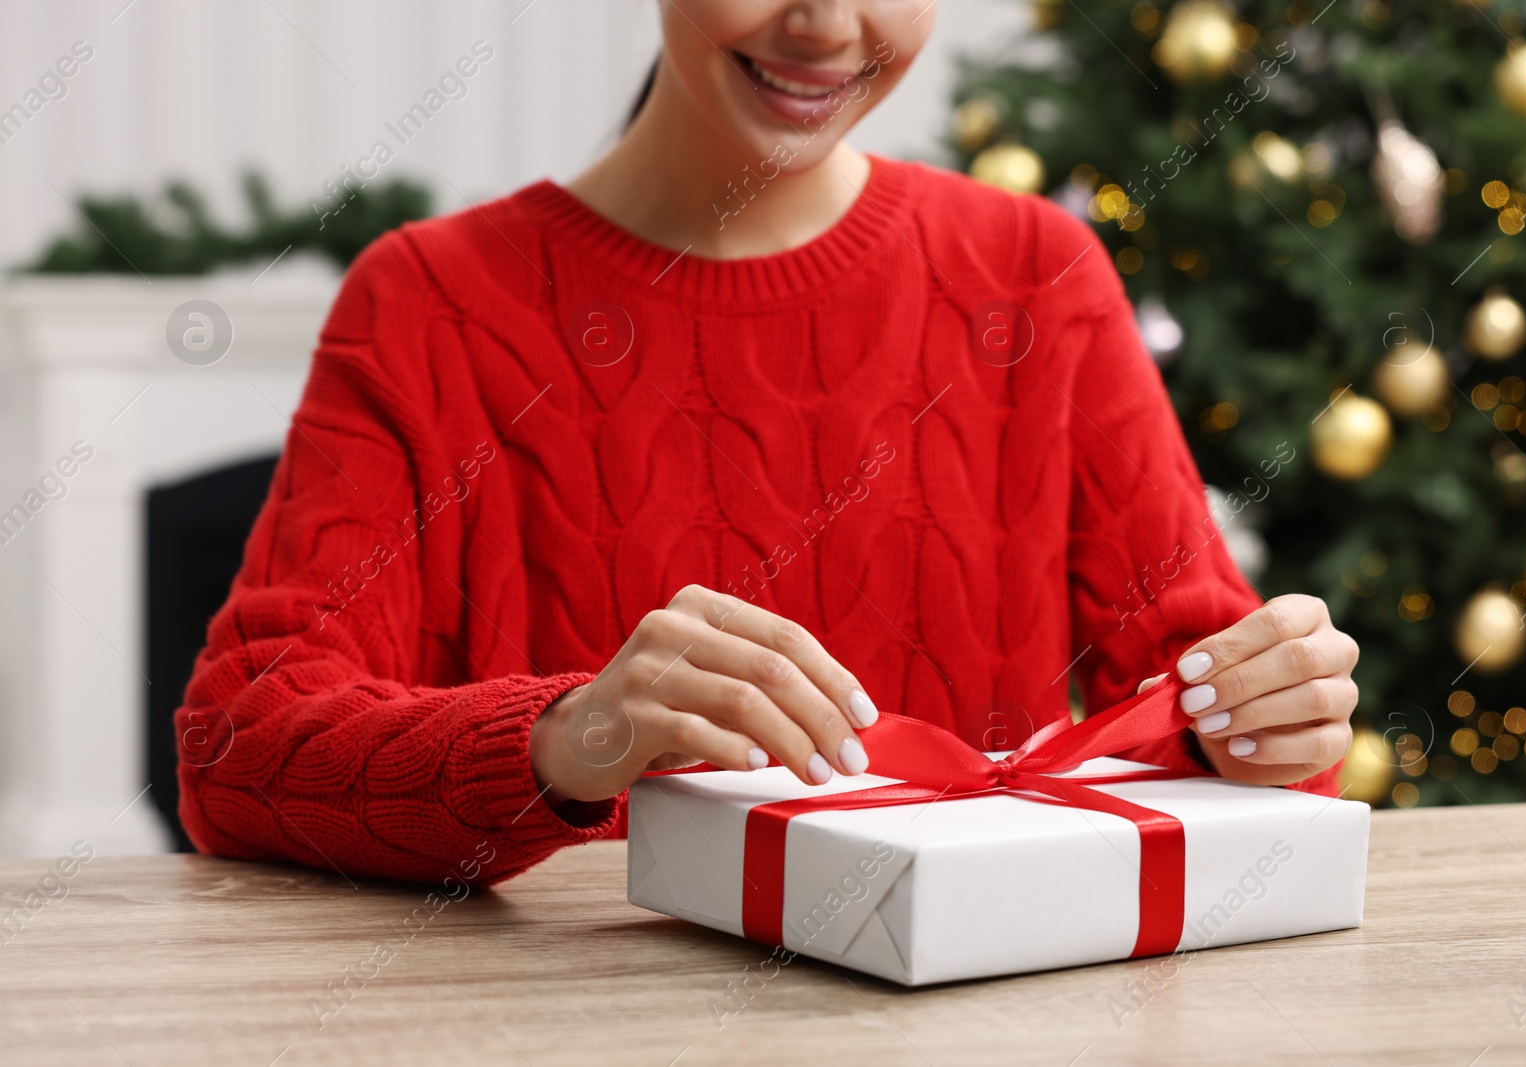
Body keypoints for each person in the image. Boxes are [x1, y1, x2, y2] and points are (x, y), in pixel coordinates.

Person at [176, 0, 1359, 885]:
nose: (826, 26)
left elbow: (1223, 719)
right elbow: (236, 747)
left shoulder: (1033, 277)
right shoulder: (429, 302)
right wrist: (573, 736)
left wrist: (1273, 711)